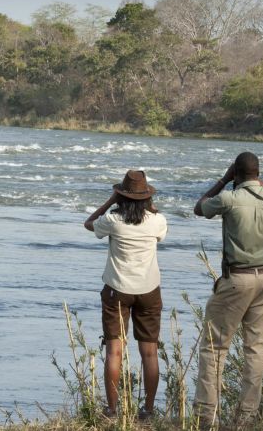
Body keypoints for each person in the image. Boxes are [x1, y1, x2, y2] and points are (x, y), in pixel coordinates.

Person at [192, 152, 263, 429]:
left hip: (237, 280)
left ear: (235, 173)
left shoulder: (228, 199)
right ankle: (246, 417)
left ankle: (206, 416)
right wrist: (255, 181)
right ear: (258, 173)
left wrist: (224, 179)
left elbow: (199, 208)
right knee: (256, 349)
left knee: (214, 347)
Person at [83, 170, 168, 420]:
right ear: (147, 198)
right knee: (150, 353)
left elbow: (89, 223)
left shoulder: (113, 220)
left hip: (117, 290)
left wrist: (111, 200)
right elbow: (158, 227)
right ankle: (148, 410)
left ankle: (111, 410)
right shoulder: (157, 220)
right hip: (149, 290)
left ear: (120, 196)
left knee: (114, 352)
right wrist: (149, 204)